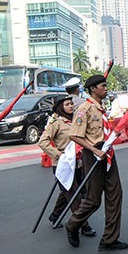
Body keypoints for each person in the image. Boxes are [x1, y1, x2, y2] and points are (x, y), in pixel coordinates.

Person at [66, 76, 127, 250]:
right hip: (93, 155)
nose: (106, 89)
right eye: (103, 86)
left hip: (107, 154)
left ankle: (109, 239)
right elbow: (74, 135)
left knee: (115, 195)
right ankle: (73, 225)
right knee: (93, 200)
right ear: (93, 89)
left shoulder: (102, 109)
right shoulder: (84, 109)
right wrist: (95, 151)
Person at [38, 95, 95, 236]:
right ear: (60, 108)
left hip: (77, 163)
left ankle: (55, 214)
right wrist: (58, 154)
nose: (71, 106)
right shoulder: (56, 123)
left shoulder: (76, 120)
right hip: (63, 164)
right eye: (67, 104)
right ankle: (82, 224)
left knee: (71, 192)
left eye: (71, 104)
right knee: (74, 195)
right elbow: (43, 142)